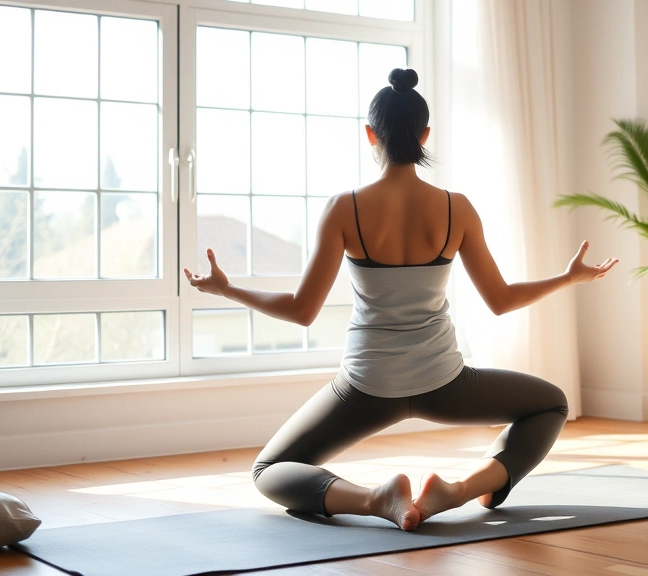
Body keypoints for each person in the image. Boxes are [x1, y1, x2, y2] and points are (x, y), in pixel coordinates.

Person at [185, 68, 618, 532]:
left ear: (370, 134)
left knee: (267, 470)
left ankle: (376, 499)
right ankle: (457, 492)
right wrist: (568, 278)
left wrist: (227, 289)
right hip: (444, 381)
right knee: (551, 403)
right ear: (425, 134)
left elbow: (301, 310)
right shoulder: (457, 208)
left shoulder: (344, 209)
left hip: (365, 388)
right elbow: (501, 299)